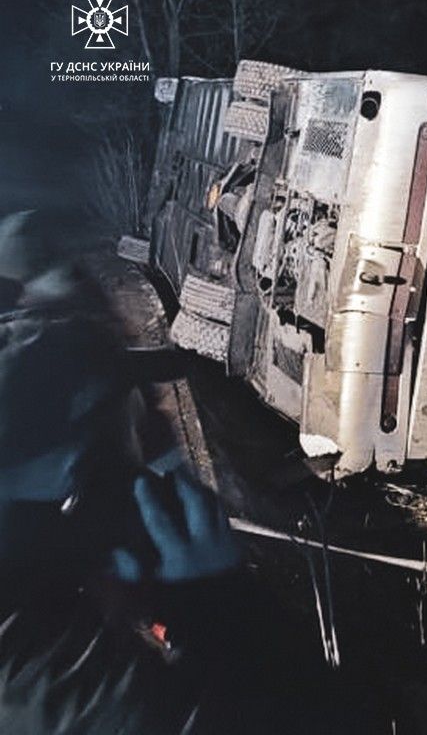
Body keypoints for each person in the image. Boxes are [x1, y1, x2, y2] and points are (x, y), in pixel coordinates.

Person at [0, 211, 380, 733]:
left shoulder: (37, 590)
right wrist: (221, 611)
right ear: (75, 500)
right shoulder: (45, 677)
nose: (158, 464)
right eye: (133, 453)